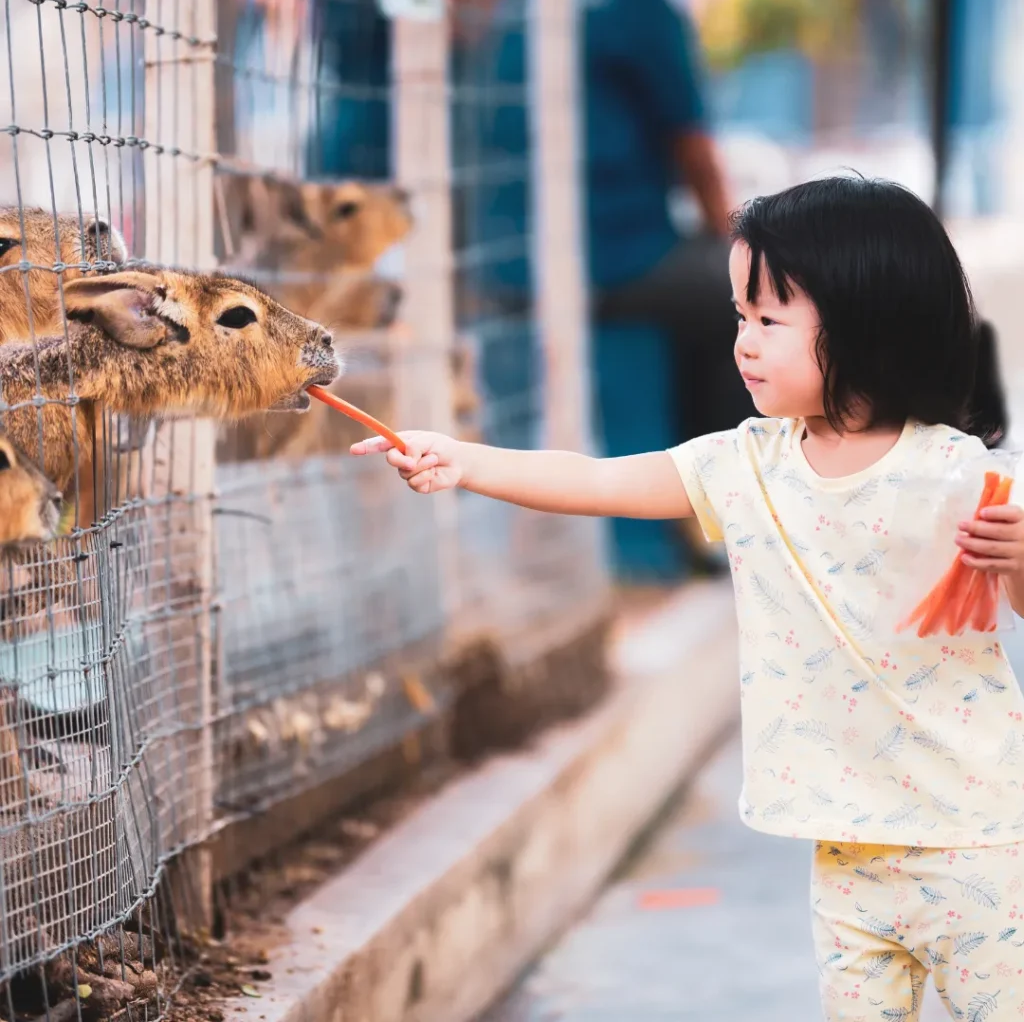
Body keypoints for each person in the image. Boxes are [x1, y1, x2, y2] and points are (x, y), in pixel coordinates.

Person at [352, 176, 1024, 1020]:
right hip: (846, 848)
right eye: (739, 316)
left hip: (980, 841)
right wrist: (465, 460)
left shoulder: (964, 475)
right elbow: (597, 481)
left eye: (769, 319)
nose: (741, 341)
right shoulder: (746, 466)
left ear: (868, 325)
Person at [582, 0, 752, 578]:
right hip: (616, 258)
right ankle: (733, 511)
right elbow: (696, 153)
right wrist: (739, 245)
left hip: (529, 265)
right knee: (755, 310)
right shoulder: (644, 16)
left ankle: (694, 517)